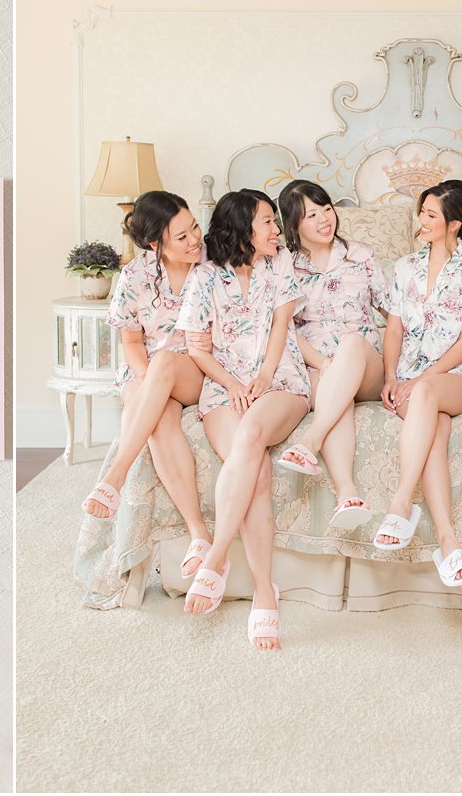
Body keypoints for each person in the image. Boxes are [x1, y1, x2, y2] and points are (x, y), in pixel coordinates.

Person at [177, 189, 309, 651]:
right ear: (242, 228)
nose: (278, 229)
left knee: (252, 432)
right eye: (268, 222)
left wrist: (263, 376)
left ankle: (214, 558)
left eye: (275, 221)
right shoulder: (205, 277)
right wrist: (233, 383)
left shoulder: (282, 264)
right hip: (221, 387)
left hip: (282, 381)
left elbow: (280, 329)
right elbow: (197, 347)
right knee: (255, 465)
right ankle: (263, 594)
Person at [81, 192, 213, 577]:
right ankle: (198, 532)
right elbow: (131, 342)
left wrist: (159, 377)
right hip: (144, 371)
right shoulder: (135, 275)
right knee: (159, 423)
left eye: (194, 229)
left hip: (192, 370)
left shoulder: (212, 267)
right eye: (182, 237)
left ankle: (116, 475)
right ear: (156, 243)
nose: (195, 241)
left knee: (167, 363)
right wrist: (148, 382)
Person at [375, 179, 462, 589]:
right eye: (421, 212)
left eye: (431, 215)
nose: (421, 221)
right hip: (408, 375)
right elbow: (393, 330)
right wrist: (392, 377)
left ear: (455, 224)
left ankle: (400, 501)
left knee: (427, 395)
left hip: (457, 375)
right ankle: (448, 541)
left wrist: (420, 380)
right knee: (436, 430)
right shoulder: (405, 267)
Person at [272, 180, 383, 530]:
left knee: (351, 345)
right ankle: (347, 493)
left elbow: (394, 315)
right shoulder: (283, 265)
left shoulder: (360, 255)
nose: (325, 219)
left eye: (327, 209)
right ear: (293, 225)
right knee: (337, 396)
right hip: (315, 363)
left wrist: (397, 373)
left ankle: (311, 441)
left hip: (365, 361)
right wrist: (322, 362)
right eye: (312, 215)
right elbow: (283, 326)